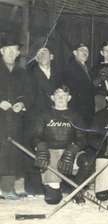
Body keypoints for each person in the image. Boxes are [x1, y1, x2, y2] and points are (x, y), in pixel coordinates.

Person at [32, 85, 89, 204]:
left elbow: (82, 139)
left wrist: (72, 150)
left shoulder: (76, 116)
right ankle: (54, 187)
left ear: (69, 98)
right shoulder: (44, 115)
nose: (61, 97)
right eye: (58, 95)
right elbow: (35, 136)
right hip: (51, 152)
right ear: (52, 97)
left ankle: (76, 191)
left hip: (70, 151)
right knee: (53, 200)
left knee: (86, 161)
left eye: (64, 95)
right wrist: (40, 146)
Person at [24, 47, 61, 195]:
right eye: (39, 53)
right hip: (35, 117)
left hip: (54, 116)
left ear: (52, 56)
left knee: (52, 149)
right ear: (36, 58)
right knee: (36, 149)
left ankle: (53, 183)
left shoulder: (58, 74)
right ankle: (33, 187)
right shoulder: (30, 74)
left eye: (46, 52)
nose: (43, 55)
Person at [0, 33, 32, 200]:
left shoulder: (22, 72)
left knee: (11, 153)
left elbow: (28, 94)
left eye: (15, 51)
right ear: (1, 51)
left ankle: (7, 189)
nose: (12, 54)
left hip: (15, 120)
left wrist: (22, 103)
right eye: (9, 50)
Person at [63, 43, 95, 126]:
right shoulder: (70, 67)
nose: (85, 52)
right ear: (74, 52)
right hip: (77, 108)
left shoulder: (87, 68)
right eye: (81, 50)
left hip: (88, 108)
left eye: (86, 51)